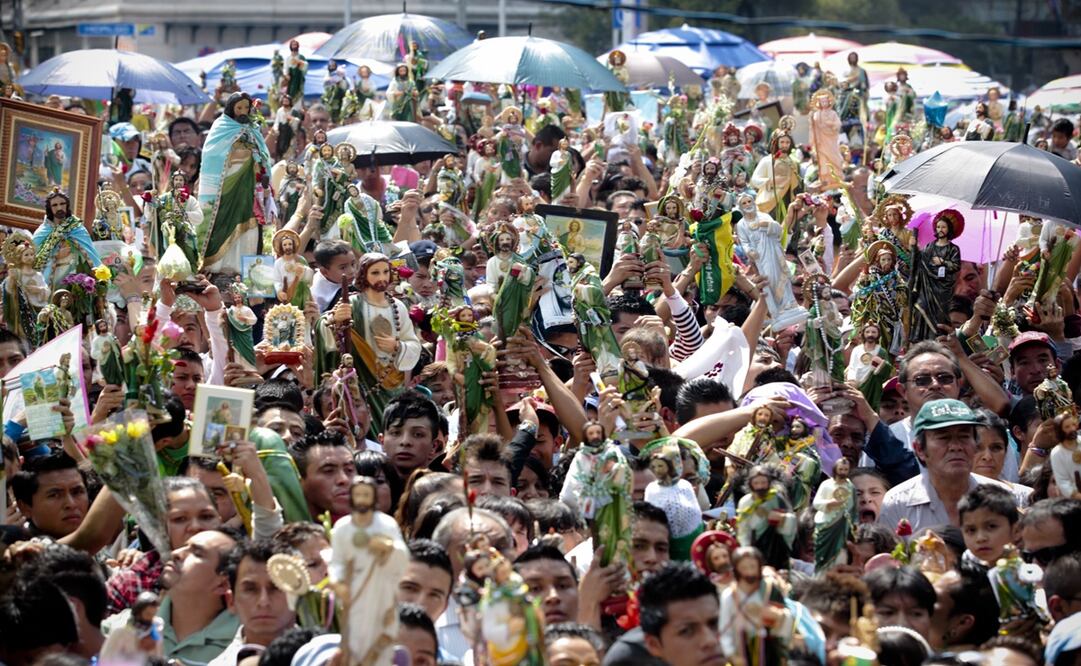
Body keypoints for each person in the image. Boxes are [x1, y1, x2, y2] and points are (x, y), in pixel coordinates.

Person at [878, 399, 1011, 534]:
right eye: (943, 438)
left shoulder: (1001, 498)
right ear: (919, 449)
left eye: (964, 436)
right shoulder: (897, 504)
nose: (956, 446)